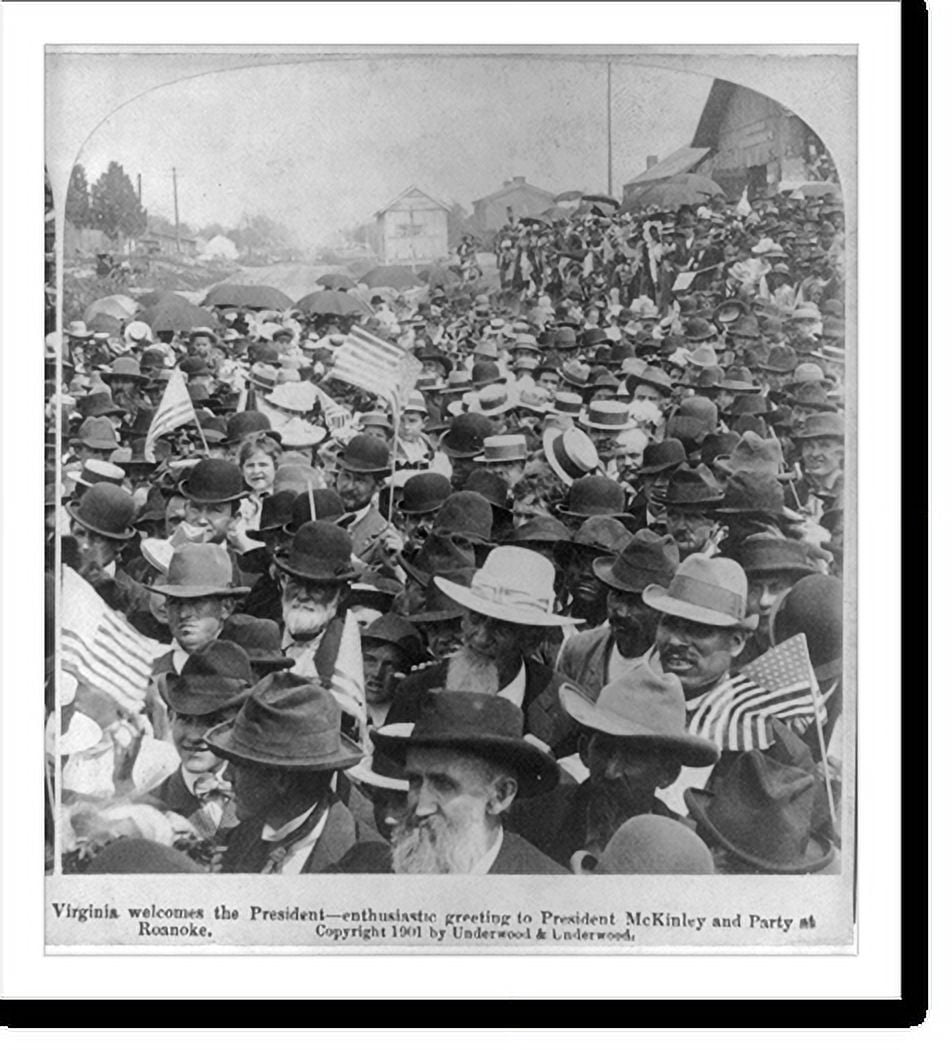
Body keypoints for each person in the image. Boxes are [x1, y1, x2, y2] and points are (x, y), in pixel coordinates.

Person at [509, 664, 718, 867]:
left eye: (634, 756)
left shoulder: (684, 851)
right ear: (584, 751)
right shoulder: (533, 816)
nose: (611, 772)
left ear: (668, 774)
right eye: (604, 749)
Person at [386, 547, 583, 757]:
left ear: (531, 639)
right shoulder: (415, 691)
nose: (480, 638)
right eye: (476, 618)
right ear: (463, 619)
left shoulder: (566, 711)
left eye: (502, 627)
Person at [367, 690, 566, 874]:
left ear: (500, 795)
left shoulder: (547, 891)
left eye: (443, 784)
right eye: (415, 781)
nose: (421, 808)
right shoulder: (382, 874)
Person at [206, 672, 365, 874]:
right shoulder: (236, 841)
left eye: (238, 765)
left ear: (281, 779)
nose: (226, 776)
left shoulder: (366, 862)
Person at [149, 641, 254, 840]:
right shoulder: (151, 809)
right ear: (170, 717)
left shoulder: (263, 801)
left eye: (212, 721)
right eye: (185, 719)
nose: (194, 736)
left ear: (241, 722)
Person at [557, 530, 679, 701]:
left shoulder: (674, 666)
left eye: (637, 602)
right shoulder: (579, 650)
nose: (621, 612)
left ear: (662, 608)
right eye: (616, 595)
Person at [147, 544, 251, 675]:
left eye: (197, 602)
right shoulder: (145, 676)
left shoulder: (247, 670)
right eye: (175, 602)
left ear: (226, 607)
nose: (183, 613)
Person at [334, 433, 398, 565]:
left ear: (379, 486)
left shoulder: (384, 536)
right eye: (346, 476)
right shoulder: (317, 510)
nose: (349, 486)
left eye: (360, 480)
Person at [360, 613, 426, 727]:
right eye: (370, 661)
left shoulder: (414, 719)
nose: (377, 673)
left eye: (390, 664)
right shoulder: (341, 709)